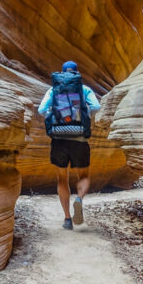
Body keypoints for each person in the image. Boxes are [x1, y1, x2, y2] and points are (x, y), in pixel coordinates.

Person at [38, 60, 101, 230]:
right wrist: (83, 116)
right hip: (79, 139)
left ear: (62, 72)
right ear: (77, 73)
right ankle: (79, 199)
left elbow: (41, 110)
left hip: (59, 140)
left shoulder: (54, 89)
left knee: (61, 178)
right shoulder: (85, 89)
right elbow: (96, 106)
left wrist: (56, 118)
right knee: (84, 176)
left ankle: (67, 219)